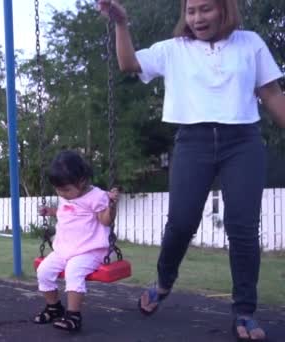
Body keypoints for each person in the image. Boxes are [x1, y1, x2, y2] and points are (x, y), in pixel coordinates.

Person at [97, 0, 285, 340]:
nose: (197, 17)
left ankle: (245, 311)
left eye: (206, 9)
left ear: (225, 9)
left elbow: (271, 93)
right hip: (192, 141)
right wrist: (121, 24)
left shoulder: (250, 43)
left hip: (243, 141)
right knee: (181, 222)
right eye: (191, 11)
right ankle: (165, 280)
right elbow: (128, 63)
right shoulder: (173, 50)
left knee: (242, 227)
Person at [33, 150, 119, 332]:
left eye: (65, 189)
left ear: (81, 181)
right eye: (58, 189)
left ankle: (73, 315)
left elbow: (105, 221)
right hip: (64, 249)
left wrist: (111, 206)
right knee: (43, 271)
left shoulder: (96, 196)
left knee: (73, 271)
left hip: (89, 251)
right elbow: (67, 211)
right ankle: (54, 307)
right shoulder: (67, 195)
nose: (61, 194)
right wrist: (50, 211)